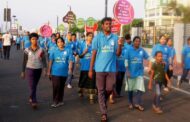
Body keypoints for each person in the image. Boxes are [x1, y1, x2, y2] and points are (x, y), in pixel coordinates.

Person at [89, 17, 123, 122]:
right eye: (107, 24)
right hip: (99, 69)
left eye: (110, 24)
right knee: (101, 90)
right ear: (102, 26)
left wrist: (120, 46)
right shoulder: (97, 38)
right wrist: (91, 69)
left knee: (109, 89)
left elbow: (117, 54)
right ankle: (104, 112)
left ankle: (103, 102)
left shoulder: (115, 38)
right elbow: (93, 54)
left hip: (111, 69)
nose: (109, 25)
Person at [21, 33, 47, 109]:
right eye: (32, 39)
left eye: (35, 39)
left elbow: (44, 60)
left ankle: (31, 96)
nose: (34, 41)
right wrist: (23, 71)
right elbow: (24, 61)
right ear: (30, 40)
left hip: (39, 69)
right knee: (32, 85)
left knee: (34, 85)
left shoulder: (41, 50)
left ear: (37, 40)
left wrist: (45, 69)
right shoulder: (26, 50)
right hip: (30, 69)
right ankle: (34, 101)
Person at [124, 36, 149, 111]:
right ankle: (130, 102)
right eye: (136, 41)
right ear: (133, 42)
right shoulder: (129, 50)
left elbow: (148, 57)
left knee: (140, 89)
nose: (138, 42)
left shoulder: (142, 50)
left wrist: (155, 61)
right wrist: (127, 70)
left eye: (139, 41)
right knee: (130, 89)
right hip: (131, 73)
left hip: (139, 72)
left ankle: (138, 103)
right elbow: (126, 60)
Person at [47, 37, 73, 108]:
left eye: (61, 41)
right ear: (56, 44)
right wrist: (49, 71)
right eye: (58, 42)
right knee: (56, 86)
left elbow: (70, 60)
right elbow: (51, 61)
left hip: (64, 72)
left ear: (64, 43)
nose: (60, 43)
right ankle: (55, 101)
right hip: (55, 72)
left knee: (61, 87)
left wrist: (70, 69)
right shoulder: (54, 51)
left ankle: (60, 100)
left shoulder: (68, 50)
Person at [78, 32, 96, 103]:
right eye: (90, 36)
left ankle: (91, 97)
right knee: (82, 82)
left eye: (92, 36)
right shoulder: (82, 45)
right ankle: (80, 90)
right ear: (86, 37)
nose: (91, 37)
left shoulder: (94, 46)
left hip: (93, 67)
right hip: (84, 67)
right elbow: (80, 56)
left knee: (91, 83)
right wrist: (84, 53)